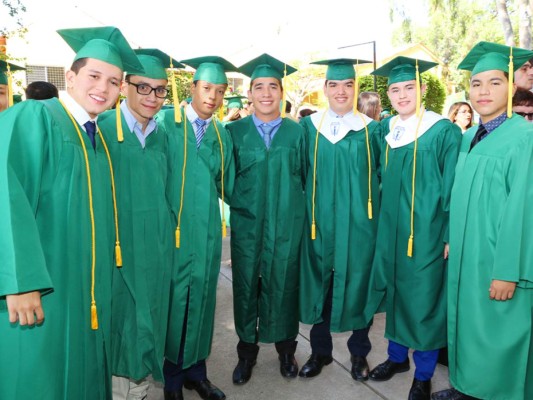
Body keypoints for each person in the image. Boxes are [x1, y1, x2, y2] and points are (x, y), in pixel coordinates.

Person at [0, 26, 144, 400]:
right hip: (42, 292)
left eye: (114, 81)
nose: (103, 87)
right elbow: (7, 194)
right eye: (94, 76)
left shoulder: (97, 138)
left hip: (85, 290)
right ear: (71, 76)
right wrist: (20, 281)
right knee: (39, 379)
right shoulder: (36, 117)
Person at [431, 41, 533, 400]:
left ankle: (493, 393)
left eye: (494, 82)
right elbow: (456, 197)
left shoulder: (524, 138)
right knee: (469, 325)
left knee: (497, 330)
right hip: (466, 252)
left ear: (511, 87)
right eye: (476, 84)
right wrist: (448, 236)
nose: (483, 91)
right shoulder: (469, 136)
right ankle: (466, 387)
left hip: (497, 257)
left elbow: (524, 211)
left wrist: (508, 270)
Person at [367, 56, 462, 400]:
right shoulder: (388, 130)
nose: (403, 94)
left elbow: (453, 186)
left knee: (423, 300)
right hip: (391, 232)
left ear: (422, 89)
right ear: (388, 94)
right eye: (395, 89)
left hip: (427, 232)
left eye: (409, 87)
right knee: (396, 293)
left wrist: (448, 233)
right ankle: (396, 359)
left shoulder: (442, 131)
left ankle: (423, 373)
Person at [98, 48, 182, 400]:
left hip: (157, 253)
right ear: (125, 86)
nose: (152, 96)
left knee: (151, 323)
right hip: (119, 254)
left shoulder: (162, 135)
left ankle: (144, 388)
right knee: (123, 327)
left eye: (160, 89)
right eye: (143, 87)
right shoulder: (101, 131)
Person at [298, 58, 382, 382]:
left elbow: (381, 179)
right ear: (325, 89)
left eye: (348, 84)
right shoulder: (309, 128)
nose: (341, 91)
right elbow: (302, 176)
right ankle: (320, 353)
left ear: (355, 88)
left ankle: (359, 354)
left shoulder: (371, 131)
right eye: (334, 84)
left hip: (359, 228)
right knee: (322, 286)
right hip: (319, 226)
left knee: (359, 287)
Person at [225, 53, 306, 385]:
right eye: (259, 87)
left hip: (287, 227)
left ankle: (287, 351)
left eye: (273, 86)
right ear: (250, 94)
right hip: (248, 227)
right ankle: (247, 355)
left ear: (281, 93)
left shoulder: (297, 133)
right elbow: (225, 180)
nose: (266, 94)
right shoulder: (233, 132)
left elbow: (306, 178)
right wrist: (245, 207)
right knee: (246, 290)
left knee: (285, 287)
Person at [161, 55, 236, 400]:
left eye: (220, 91)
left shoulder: (221, 134)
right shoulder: (165, 124)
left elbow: (229, 184)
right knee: (175, 307)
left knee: (203, 303)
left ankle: (197, 374)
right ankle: (173, 381)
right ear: (192, 88)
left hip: (206, 235)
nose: (213, 97)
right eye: (207, 88)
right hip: (171, 235)